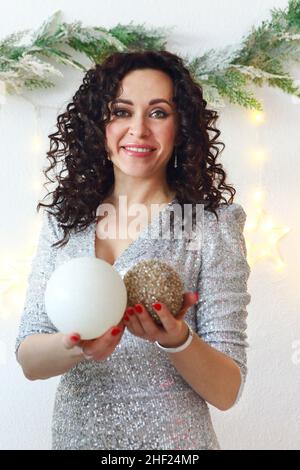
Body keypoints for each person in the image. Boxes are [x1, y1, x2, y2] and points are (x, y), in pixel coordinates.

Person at [15, 50, 251, 450]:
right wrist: (75, 347)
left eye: (158, 113)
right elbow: (29, 359)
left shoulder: (212, 225)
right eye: (121, 111)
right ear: (98, 125)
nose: (138, 129)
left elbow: (227, 391)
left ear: (182, 127)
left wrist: (177, 339)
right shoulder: (65, 221)